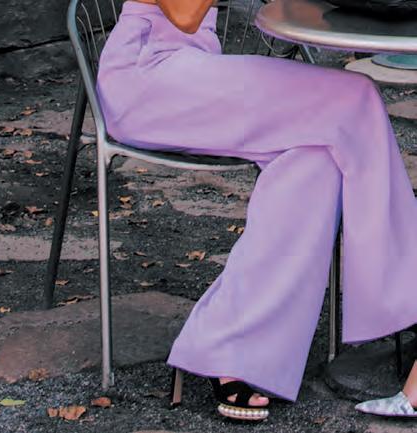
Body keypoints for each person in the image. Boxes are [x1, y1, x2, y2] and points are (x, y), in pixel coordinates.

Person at [96, 0, 417, 421]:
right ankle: (407, 293)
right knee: (356, 97)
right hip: (147, 77)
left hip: (193, 67)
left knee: (316, 159)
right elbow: (184, 16)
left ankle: (232, 349)